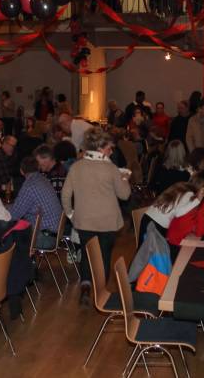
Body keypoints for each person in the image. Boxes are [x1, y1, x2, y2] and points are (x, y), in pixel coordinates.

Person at [61, 127, 130, 304]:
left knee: (86, 254)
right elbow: (124, 195)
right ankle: (101, 292)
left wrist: (71, 214)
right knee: (104, 255)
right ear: (100, 148)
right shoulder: (111, 168)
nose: (111, 151)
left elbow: (65, 195)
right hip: (108, 221)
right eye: (109, 148)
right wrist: (124, 178)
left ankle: (85, 287)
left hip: (84, 221)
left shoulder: (76, 167)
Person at [10, 157, 64, 249]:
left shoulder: (29, 186)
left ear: (21, 171)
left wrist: (2, 211)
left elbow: (13, 215)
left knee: (10, 237)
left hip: (45, 237)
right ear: (38, 167)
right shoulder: (43, 179)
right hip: (57, 232)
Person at [139, 182, 200, 247]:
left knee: (142, 249)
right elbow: (179, 213)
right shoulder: (190, 193)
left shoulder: (178, 190)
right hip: (158, 224)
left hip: (147, 217)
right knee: (154, 250)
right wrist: (197, 200)